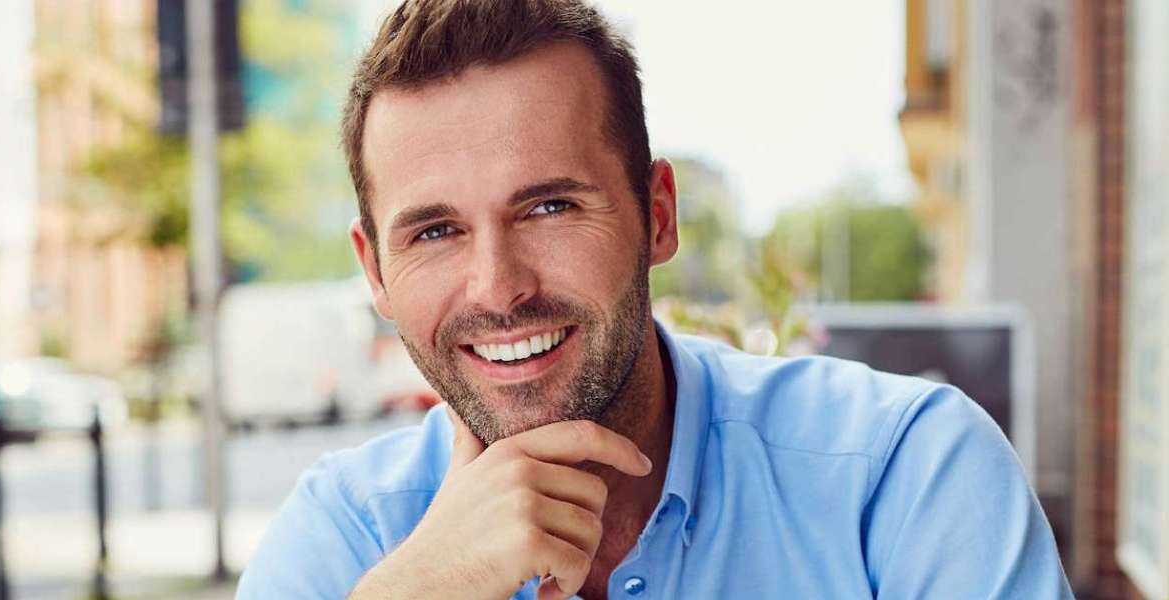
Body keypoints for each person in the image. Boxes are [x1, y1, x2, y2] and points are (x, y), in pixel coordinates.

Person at [234, 1, 1073, 598]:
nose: (498, 287)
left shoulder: (902, 473)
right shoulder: (342, 540)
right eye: (435, 231)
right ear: (375, 271)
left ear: (658, 215)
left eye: (549, 207)